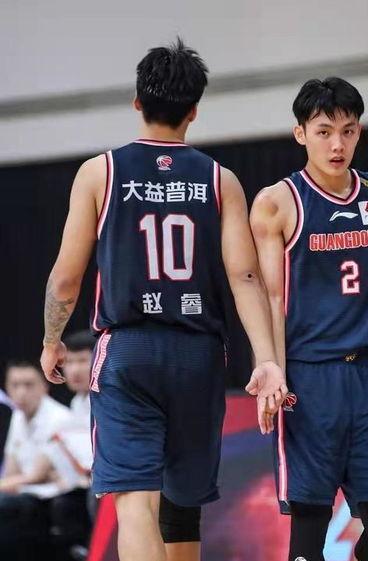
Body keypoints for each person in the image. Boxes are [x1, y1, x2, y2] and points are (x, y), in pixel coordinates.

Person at [40, 38, 286, 561]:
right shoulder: (220, 180)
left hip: (129, 351)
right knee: (182, 507)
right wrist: (266, 358)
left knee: (135, 505)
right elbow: (245, 275)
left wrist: (51, 340)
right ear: (194, 110)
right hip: (198, 353)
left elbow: (65, 278)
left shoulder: (100, 173)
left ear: (137, 102)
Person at [250, 77, 368, 561]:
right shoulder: (277, 202)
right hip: (307, 378)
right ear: (300, 134)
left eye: (348, 131)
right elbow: (272, 297)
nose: (337, 144)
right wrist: (272, 368)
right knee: (309, 528)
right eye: (324, 132)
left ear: (359, 133)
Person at [0, 361, 71, 559]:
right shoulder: (17, 416)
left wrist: (8, 484)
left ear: (44, 386)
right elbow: (12, 472)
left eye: (28, 384)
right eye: (15, 385)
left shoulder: (58, 418)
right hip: (26, 493)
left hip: (53, 497)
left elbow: (36, 476)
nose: (21, 392)